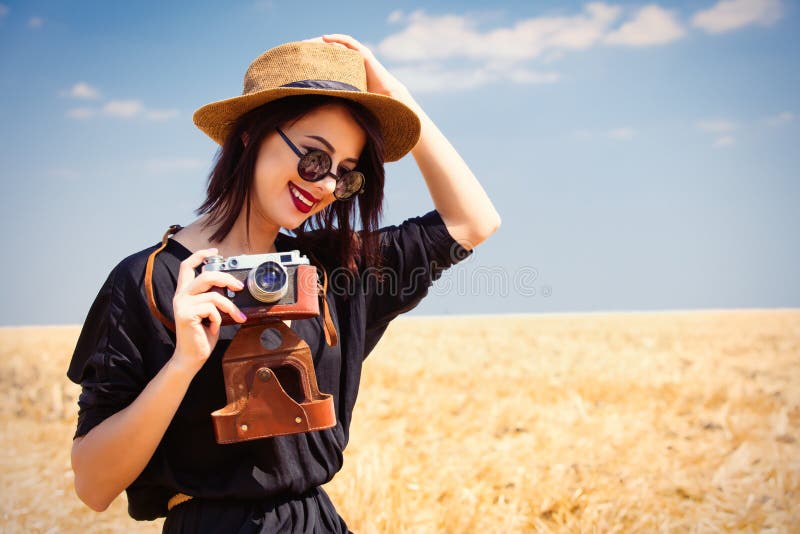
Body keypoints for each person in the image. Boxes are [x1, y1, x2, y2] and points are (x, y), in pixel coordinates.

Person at [67, 35, 500, 533]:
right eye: (314, 157)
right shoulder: (150, 280)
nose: (324, 185)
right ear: (252, 134)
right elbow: (93, 486)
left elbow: (472, 221)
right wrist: (182, 365)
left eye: (346, 175)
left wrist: (392, 91)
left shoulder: (335, 271)